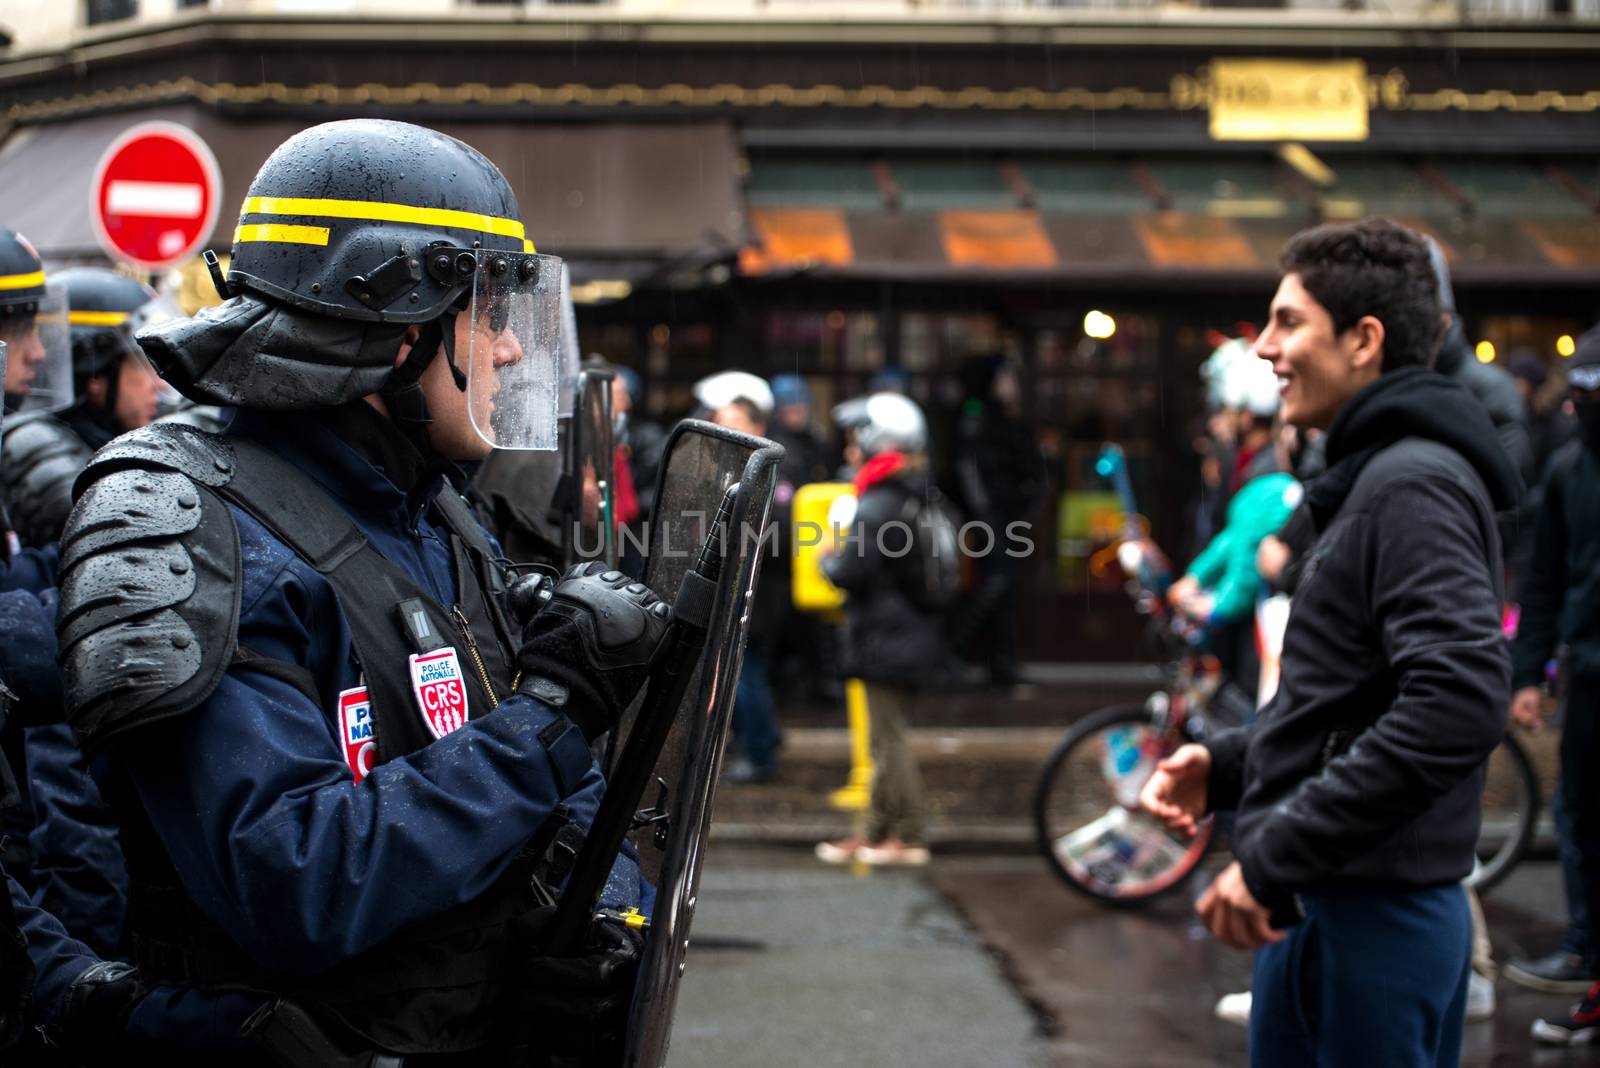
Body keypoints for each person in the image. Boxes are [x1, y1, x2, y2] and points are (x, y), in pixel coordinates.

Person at [56, 119, 669, 1063]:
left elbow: (566, 789)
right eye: (489, 313)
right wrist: (546, 719)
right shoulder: (188, 518)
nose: (511, 351)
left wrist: (589, 913)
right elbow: (295, 882)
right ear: (394, 321)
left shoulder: (431, 504)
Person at [1140, 217, 1517, 1068]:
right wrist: (1234, 762)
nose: (1266, 348)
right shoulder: (1375, 476)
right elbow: (1352, 693)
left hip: (1365, 917)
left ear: (1363, 340)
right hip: (1334, 905)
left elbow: (1456, 702)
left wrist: (1277, 853)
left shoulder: (1410, 484)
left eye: (1287, 321)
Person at [1506, 325, 1600, 1043]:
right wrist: (1529, 673)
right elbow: (1541, 581)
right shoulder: (1570, 469)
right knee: (1579, 814)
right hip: (1588, 674)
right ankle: (1587, 949)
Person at [815, 392, 952, 867]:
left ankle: (909, 835)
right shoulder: (910, 493)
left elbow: (851, 570)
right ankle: (874, 831)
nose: (850, 450)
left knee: (888, 741)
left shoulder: (878, 503)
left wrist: (827, 558)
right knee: (883, 739)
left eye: (857, 440)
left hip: (887, 635)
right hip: (903, 632)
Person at [1167, 346, 1297, 703]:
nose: (1216, 423)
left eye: (1226, 412)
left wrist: (1209, 606)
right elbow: (1235, 537)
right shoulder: (1246, 469)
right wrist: (1195, 577)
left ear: (1247, 415)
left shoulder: (1267, 478)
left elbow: (1243, 574)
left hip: (1256, 641)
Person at [2, 268, 166, 549]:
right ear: (96, 374)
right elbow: (124, 542)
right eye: (144, 365)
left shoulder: (97, 441)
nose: (159, 385)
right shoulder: (35, 443)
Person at [703, 380, 784, 783]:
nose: (726, 430)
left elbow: (777, 536)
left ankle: (760, 750)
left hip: (758, 593)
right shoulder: (728, 467)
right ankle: (760, 739)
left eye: (735, 422)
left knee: (746, 673)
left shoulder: (769, 469)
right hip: (737, 588)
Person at [948, 354, 1045, 691]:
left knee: (1004, 589)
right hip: (993, 519)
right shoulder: (977, 417)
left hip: (1004, 516)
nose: (1012, 385)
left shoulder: (1000, 417)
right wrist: (986, 515)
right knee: (996, 585)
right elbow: (969, 469)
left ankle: (1000, 665)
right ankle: (954, 652)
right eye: (1005, 377)